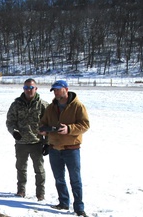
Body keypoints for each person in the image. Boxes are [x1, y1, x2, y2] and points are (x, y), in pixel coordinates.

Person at [39, 80, 90, 217]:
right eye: (54, 90)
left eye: (57, 90)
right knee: (59, 178)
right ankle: (63, 202)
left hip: (71, 148)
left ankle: (79, 207)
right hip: (54, 148)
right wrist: (43, 130)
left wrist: (69, 129)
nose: (55, 93)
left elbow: (85, 125)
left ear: (66, 89)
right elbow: (43, 122)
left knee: (75, 179)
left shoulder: (78, 106)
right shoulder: (51, 107)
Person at [6, 78, 49, 201]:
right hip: (21, 143)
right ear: (23, 89)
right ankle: (21, 191)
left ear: (36, 88)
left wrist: (47, 143)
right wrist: (14, 132)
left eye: (31, 88)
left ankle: (40, 194)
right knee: (21, 168)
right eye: (26, 88)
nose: (28, 90)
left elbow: (48, 125)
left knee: (39, 170)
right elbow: (10, 121)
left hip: (37, 143)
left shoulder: (43, 105)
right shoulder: (16, 105)